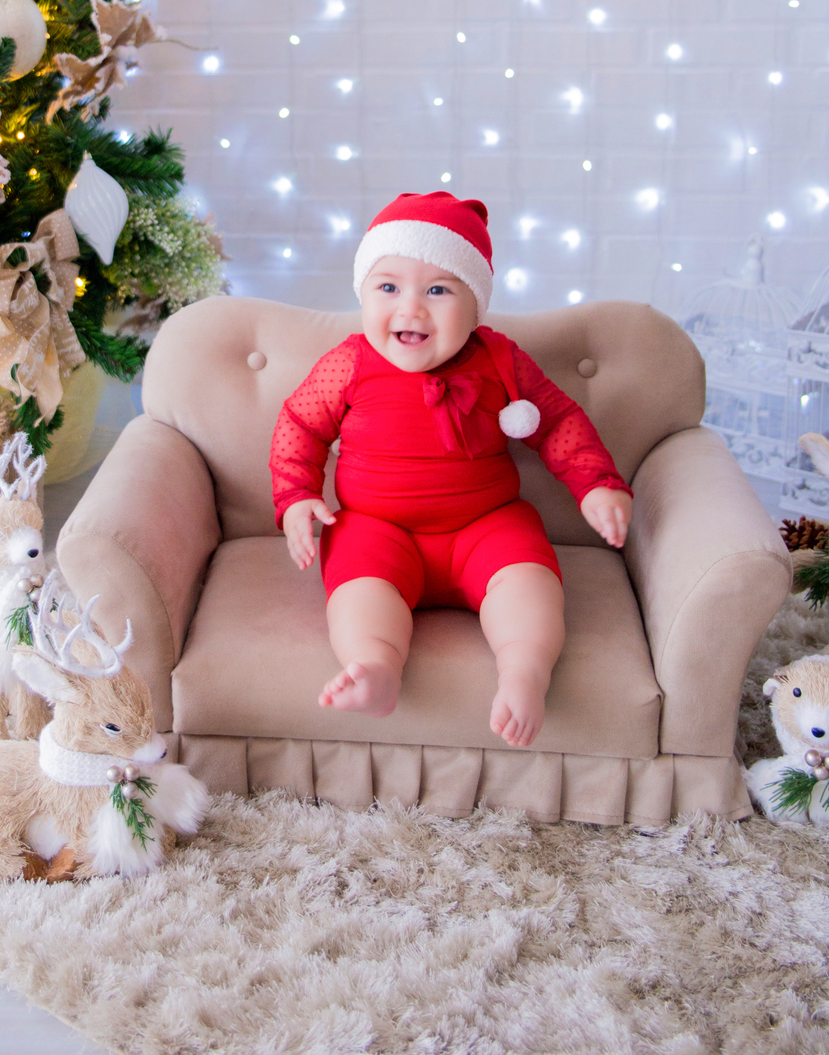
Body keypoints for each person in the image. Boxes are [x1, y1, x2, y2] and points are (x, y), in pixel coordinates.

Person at [269, 191, 632, 747]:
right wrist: (296, 497)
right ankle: (376, 669)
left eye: (438, 289)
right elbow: (300, 423)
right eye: (388, 287)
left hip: (486, 523)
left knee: (529, 586)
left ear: (476, 304)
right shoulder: (348, 363)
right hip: (377, 528)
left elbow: (557, 420)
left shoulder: (500, 360)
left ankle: (525, 672)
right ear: (364, 293)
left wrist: (596, 485)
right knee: (360, 594)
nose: (411, 308)